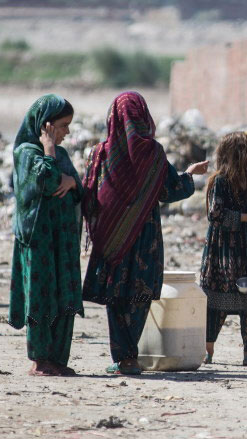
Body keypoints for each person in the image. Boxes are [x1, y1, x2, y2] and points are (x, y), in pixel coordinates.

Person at [82, 91, 209, 375]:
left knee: (116, 294)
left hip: (111, 238)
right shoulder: (152, 153)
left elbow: (89, 196)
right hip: (145, 237)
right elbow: (170, 190)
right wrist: (189, 175)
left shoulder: (100, 153)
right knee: (138, 294)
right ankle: (130, 357)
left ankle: (123, 357)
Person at [9, 94, 84, 376]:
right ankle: (41, 360)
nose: (67, 132)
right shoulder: (27, 153)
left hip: (63, 241)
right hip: (38, 241)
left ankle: (57, 358)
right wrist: (49, 149)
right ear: (46, 125)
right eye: (63, 126)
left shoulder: (62, 155)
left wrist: (72, 181)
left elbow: (79, 187)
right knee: (42, 297)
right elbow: (46, 180)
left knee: (63, 294)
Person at [200, 131, 247, 367]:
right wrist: (246, 218)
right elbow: (215, 215)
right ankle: (208, 350)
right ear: (238, 154)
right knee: (216, 302)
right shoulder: (220, 181)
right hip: (222, 250)